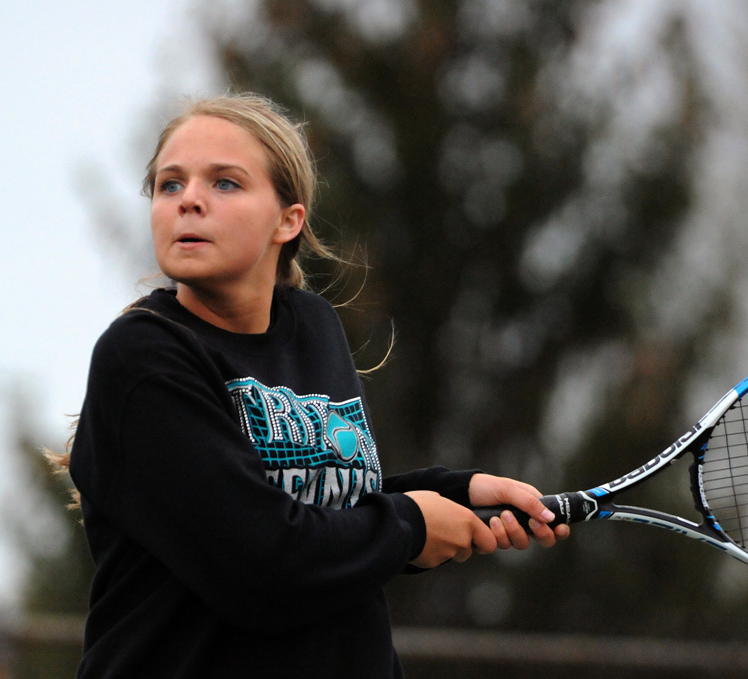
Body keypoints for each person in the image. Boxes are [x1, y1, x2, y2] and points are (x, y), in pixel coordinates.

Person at [53, 92, 569, 679]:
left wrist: (452, 492)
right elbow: (265, 565)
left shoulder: (313, 326)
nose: (189, 200)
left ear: (287, 220)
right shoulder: (142, 357)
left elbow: (326, 504)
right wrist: (412, 524)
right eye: (170, 185)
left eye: (224, 183)